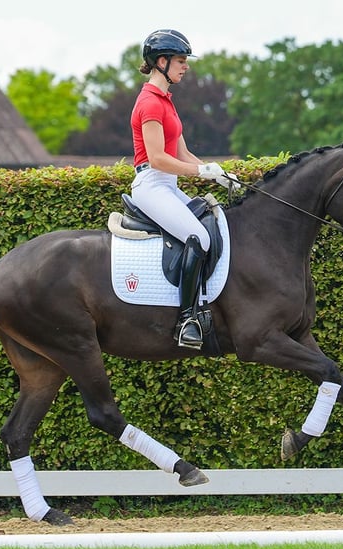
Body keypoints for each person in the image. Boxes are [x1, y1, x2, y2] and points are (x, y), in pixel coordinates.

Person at [129, 28, 240, 350]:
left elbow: (182, 154)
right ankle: (187, 319)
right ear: (160, 62)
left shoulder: (166, 101)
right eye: (180, 60)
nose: (186, 66)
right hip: (151, 184)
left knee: (214, 222)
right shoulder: (149, 103)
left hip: (167, 184)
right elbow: (158, 159)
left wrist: (218, 174)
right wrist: (200, 172)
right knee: (199, 238)